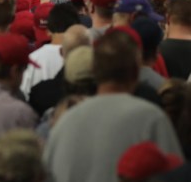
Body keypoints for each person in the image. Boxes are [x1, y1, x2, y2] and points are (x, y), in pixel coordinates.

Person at [44, 31, 183, 182]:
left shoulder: (65, 121)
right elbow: (177, 174)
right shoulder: (151, 118)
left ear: (95, 71)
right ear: (136, 71)